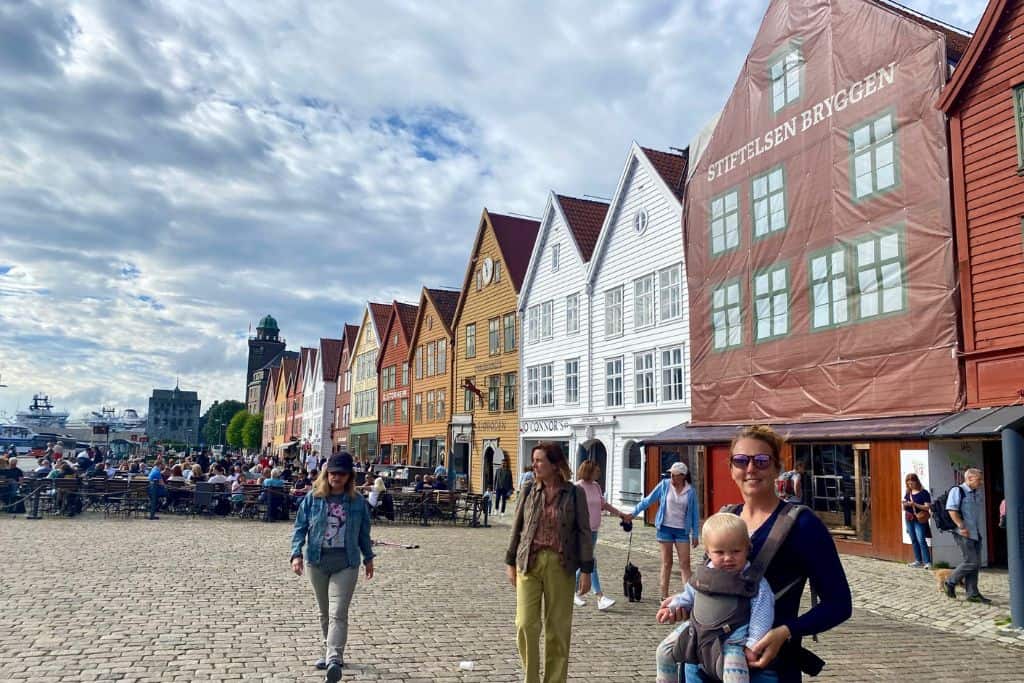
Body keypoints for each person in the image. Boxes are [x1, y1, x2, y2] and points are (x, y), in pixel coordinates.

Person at [660, 426, 852, 682]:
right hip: (702, 661)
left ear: (777, 468)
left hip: (765, 667)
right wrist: (689, 603)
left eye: (761, 461)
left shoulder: (803, 525)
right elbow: (718, 582)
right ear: (731, 469)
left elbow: (839, 604)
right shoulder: (726, 518)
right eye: (741, 461)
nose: (751, 469)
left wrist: (786, 631)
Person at [505, 442, 593, 683]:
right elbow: (517, 526)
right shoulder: (528, 489)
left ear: (555, 465)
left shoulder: (575, 493)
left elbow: (584, 532)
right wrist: (510, 561)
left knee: (557, 629)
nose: (534, 465)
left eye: (540, 460)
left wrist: (586, 570)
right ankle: (530, 678)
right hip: (529, 562)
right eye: (534, 460)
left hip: (561, 564)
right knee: (524, 625)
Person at [656, 513, 775, 683]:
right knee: (664, 651)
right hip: (696, 632)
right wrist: (673, 607)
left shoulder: (752, 581)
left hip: (732, 640)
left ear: (748, 548)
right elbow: (688, 595)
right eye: (719, 552)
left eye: (736, 551)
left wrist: (753, 643)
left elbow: (762, 614)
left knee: (735, 673)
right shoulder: (704, 574)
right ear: (708, 552)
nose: (728, 558)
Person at [291, 452, 374, 683]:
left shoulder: (357, 502)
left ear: (349, 476)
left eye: (342, 473)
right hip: (317, 560)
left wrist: (368, 558)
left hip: (346, 561)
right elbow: (300, 527)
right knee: (324, 612)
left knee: (339, 612)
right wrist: (296, 553)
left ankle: (334, 659)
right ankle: (328, 652)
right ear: (326, 474)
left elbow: (364, 533)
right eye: (333, 473)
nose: (336, 477)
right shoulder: (313, 498)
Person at [624, 462, 700, 600]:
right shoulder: (664, 485)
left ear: (683, 476)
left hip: (682, 531)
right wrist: (633, 514)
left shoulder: (690, 491)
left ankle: (689, 597)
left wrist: (695, 534)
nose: (672, 477)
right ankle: (664, 596)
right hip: (665, 528)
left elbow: (695, 513)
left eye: (675, 475)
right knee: (667, 562)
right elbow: (648, 500)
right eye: (671, 474)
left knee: (685, 564)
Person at [573, 459, 627, 611]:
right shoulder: (577, 487)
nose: (599, 472)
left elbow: (604, 504)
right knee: (591, 561)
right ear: (589, 471)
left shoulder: (596, 486)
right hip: (581, 531)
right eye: (596, 470)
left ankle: (573, 592)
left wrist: (621, 514)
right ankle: (600, 596)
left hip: (594, 529)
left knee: (584, 562)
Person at [944, 468, 990, 603]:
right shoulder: (957, 491)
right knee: (971, 561)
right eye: (978, 480)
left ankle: (973, 593)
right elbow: (951, 509)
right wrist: (961, 526)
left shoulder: (976, 493)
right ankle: (950, 581)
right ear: (969, 478)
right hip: (963, 532)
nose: (981, 482)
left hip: (975, 532)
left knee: (975, 564)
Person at [902, 473, 932, 569]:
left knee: (921, 539)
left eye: (912, 483)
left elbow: (927, 507)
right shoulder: (908, 493)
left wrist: (914, 504)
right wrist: (905, 504)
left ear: (916, 482)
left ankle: (928, 562)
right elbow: (904, 508)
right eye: (908, 484)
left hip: (920, 518)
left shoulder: (924, 493)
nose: (910, 485)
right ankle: (918, 561)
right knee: (914, 539)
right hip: (909, 518)